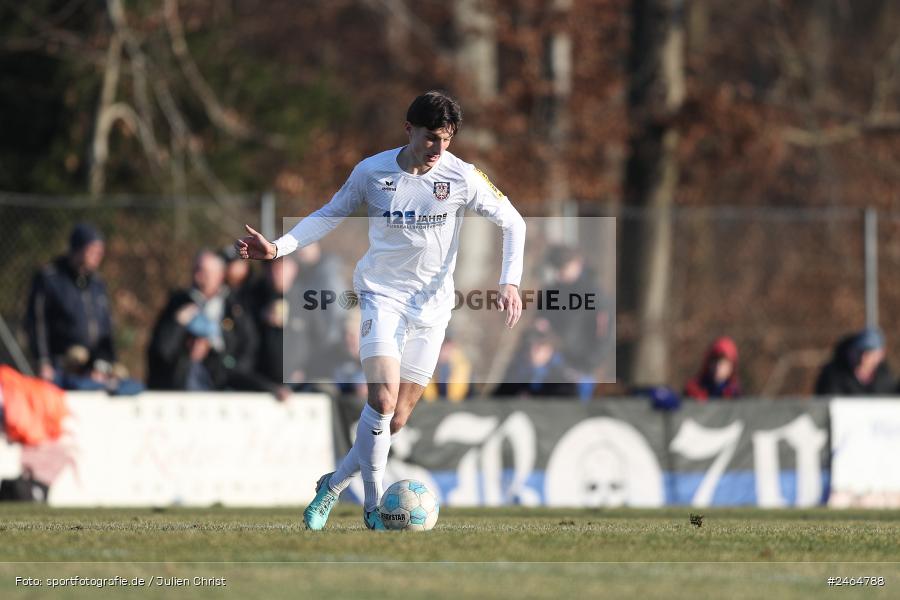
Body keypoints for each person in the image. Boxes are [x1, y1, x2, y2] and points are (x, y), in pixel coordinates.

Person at [235, 90, 525, 530]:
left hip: (433, 309)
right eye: (430, 138)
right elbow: (330, 214)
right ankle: (371, 507)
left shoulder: (462, 177)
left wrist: (510, 280)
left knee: (396, 419)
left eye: (446, 139)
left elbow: (513, 221)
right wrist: (278, 248)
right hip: (380, 296)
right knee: (382, 398)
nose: (438, 149)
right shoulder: (372, 172)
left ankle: (332, 484)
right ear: (408, 130)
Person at [147, 250, 278, 397]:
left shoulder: (234, 308)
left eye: (204, 272)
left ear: (220, 275)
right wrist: (178, 324)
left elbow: (249, 347)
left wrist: (228, 367)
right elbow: (161, 350)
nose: (198, 276)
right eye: (196, 269)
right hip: (181, 387)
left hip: (223, 388)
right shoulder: (178, 303)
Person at [25, 223, 117, 385]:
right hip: (59, 367)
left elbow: (106, 329)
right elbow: (37, 323)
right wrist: (43, 361)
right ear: (78, 249)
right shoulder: (50, 279)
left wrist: (103, 363)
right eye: (92, 250)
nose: (98, 255)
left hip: (93, 370)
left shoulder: (97, 284)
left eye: (100, 251)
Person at [494, 318, 578, 398]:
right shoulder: (515, 369)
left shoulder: (563, 380)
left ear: (550, 350)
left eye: (539, 346)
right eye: (530, 345)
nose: (533, 350)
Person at [814, 328, 895, 396]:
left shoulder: (885, 377)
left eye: (869, 354)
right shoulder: (833, 376)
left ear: (880, 355)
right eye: (860, 352)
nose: (863, 358)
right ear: (851, 351)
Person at [683, 336, 742, 402]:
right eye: (714, 362)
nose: (718, 367)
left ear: (732, 366)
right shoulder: (694, 390)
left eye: (723, 363)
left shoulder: (734, 392)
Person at [422, 335, 471, 402]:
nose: (446, 353)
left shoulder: (460, 365)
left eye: (449, 350)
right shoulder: (430, 364)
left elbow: (459, 393)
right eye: (444, 350)